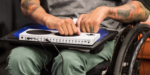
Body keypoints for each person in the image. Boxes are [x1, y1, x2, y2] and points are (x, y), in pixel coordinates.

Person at [6, 0, 150, 75]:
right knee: (19, 58)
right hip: (53, 32)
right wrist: (48, 19)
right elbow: (27, 4)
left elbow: (143, 9)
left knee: (69, 60)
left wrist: (106, 11)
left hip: (103, 35)